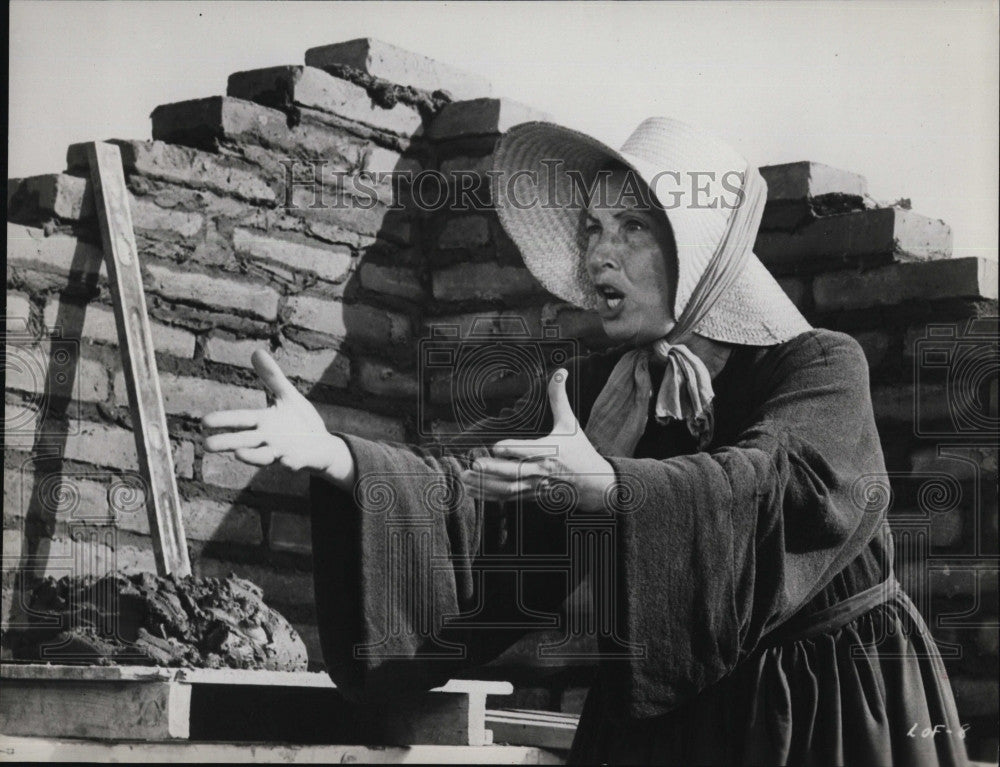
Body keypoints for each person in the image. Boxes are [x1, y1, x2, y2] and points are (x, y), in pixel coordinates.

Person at [203, 117, 968, 766]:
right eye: (593, 228)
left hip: (824, 713)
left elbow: (773, 493)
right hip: (674, 721)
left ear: (698, 250)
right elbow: (495, 520)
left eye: (633, 227)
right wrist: (340, 457)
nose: (599, 253)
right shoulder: (608, 389)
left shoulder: (819, 365)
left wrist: (606, 486)